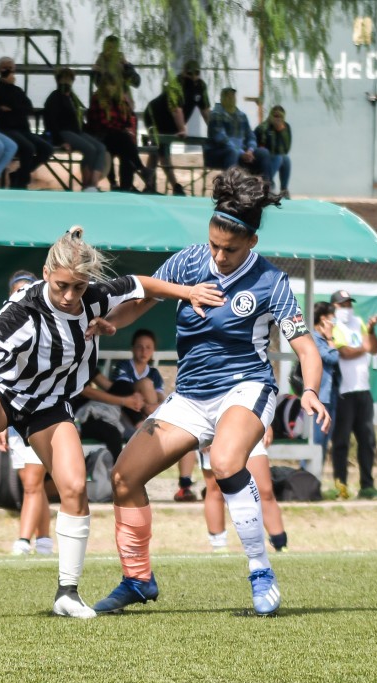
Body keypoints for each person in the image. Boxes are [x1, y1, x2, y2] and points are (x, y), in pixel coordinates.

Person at [0, 226, 224, 619]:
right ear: (47, 274)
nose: (68, 296)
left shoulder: (94, 298)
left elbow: (143, 285)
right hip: (4, 387)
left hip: (50, 402)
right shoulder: (24, 308)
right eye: (62, 285)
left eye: (77, 288)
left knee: (75, 485)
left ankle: (67, 593)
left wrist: (190, 292)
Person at [91, 168, 329, 616]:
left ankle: (260, 570)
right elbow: (140, 301)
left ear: (252, 243)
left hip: (246, 387)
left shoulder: (271, 282)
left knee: (224, 460)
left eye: (230, 249)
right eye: (214, 244)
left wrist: (311, 389)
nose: (218, 256)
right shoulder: (187, 262)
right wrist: (110, 323)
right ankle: (138, 580)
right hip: (190, 396)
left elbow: (304, 346)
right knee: (124, 477)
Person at [0, 271, 54, 556]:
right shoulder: (4, 333)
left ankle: (23, 541)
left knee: (32, 483)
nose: (22, 294)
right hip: (14, 420)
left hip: (42, 415)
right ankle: (44, 541)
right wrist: (0, 424)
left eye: (27, 290)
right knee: (32, 484)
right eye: (17, 290)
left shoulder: (51, 328)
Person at [108, 328, 199, 500]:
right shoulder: (124, 367)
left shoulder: (154, 373)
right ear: (133, 348)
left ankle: (184, 487)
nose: (144, 352)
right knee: (145, 383)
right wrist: (149, 407)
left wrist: (153, 407)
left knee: (187, 436)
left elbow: (161, 399)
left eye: (148, 348)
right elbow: (124, 393)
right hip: (126, 421)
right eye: (140, 347)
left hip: (148, 419)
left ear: (153, 351)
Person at [329, 289, 377, 500]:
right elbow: (344, 353)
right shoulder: (332, 326)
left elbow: (374, 349)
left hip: (363, 390)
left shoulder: (358, 322)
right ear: (334, 307)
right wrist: (364, 346)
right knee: (341, 442)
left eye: (349, 304)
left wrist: (370, 331)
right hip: (343, 392)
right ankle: (340, 486)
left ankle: (367, 486)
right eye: (342, 305)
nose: (347, 309)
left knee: (367, 441)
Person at [200, 435, 288, 553]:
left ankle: (280, 545)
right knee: (216, 490)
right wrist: (204, 434)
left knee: (264, 490)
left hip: (247, 426)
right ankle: (219, 546)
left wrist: (267, 422)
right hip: (214, 429)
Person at [0, 57, 54, 189]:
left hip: (23, 129)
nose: (9, 71)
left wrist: (12, 108)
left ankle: (20, 174)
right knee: (28, 148)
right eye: (5, 67)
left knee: (47, 149)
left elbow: (28, 107)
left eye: (11, 68)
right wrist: (15, 108)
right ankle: (22, 182)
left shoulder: (17, 90)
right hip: (6, 129)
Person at [43, 67, 109, 192]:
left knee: (101, 148)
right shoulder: (55, 98)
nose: (67, 85)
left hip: (76, 132)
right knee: (90, 149)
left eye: (69, 81)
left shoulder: (72, 98)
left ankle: (93, 184)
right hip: (64, 132)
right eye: (64, 81)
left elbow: (77, 119)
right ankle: (87, 185)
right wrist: (60, 140)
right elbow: (50, 121)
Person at [87, 75, 147, 192]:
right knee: (123, 140)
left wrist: (126, 101)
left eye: (113, 85)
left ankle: (125, 186)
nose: (110, 88)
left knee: (126, 151)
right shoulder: (98, 99)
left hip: (116, 137)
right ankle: (141, 169)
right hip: (101, 136)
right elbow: (101, 123)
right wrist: (120, 128)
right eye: (108, 85)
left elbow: (126, 119)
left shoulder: (120, 99)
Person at [205, 87, 269, 179]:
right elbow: (221, 138)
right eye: (227, 96)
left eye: (233, 96)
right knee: (232, 152)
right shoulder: (216, 114)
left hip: (241, 152)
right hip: (217, 152)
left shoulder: (242, 116)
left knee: (263, 153)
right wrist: (241, 152)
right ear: (221, 99)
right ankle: (231, 188)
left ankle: (268, 187)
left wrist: (250, 150)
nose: (231, 99)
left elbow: (251, 136)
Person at [144, 80, 188, 195]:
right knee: (160, 152)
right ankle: (174, 186)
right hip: (155, 119)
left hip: (161, 121)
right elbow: (177, 111)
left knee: (156, 152)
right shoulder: (174, 94)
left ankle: (149, 184)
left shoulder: (178, 92)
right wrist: (182, 129)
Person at [311, 301, 340, 462]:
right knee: (316, 442)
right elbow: (333, 357)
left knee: (323, 443)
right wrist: (330, 337)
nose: (335, 322)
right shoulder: (314, 339)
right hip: (320, 399)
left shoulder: (323, 340)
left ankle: (316, 481)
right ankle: (308, 481)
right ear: (323, 319)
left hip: (331, 396)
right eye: (332, 318)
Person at [255, 105, 291, 197]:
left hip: (276, 157)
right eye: (275, 116)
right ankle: (268, 186)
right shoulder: (263, 128)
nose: (277, 119)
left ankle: (284, 190)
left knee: (285, 158)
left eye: (280, 117)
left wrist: (280, 131)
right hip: (263, 159)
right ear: (270, 116)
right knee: (279, 157)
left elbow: (286, 149)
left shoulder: (286, 128)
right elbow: (260, 147)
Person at [178, 60, 211, 131]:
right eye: (190, 73)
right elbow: (176, 110)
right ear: (184, 73)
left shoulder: (200, 86)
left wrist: (213, 130)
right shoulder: (177, 85)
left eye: (196, 73)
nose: (193, 77)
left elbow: (206, 111)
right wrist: (182, 129)